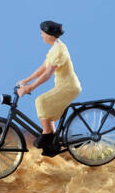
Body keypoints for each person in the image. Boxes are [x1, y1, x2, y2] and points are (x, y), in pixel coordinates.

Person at [17, 20, 82, 156]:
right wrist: (26, 80)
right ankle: (51, 144)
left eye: (43, 33)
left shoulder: (59, 51)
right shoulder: (54, 48)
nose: (41, 36)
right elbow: (42, 68)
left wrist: (30, 88)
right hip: (64, 85)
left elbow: (47, 74)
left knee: (41, 101)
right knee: (47, 110)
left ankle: (47, 135)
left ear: (50, 35)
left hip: (68, 87)